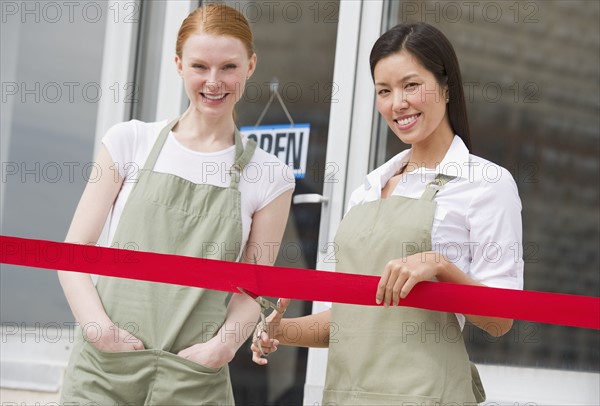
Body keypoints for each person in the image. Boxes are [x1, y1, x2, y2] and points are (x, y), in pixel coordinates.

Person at [251, 22, 523, 404]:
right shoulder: (367, 190)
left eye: (411, 85)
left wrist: (440, 266)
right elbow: (344, 321)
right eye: (384, 90)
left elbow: (501, 319)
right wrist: (280, 331)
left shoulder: (485, 183)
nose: (398, 103)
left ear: (446, 87)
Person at [58, 4, 294, 404]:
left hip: (192, 377)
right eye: (200, 66)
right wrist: (99, 330)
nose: (214, 82)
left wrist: (220, 348)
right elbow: (73, 255)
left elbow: (252, 287)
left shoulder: (270, 175)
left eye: (229, 67)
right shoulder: (129, 142)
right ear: (178, 64)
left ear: (251, 66)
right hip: (104, 369)